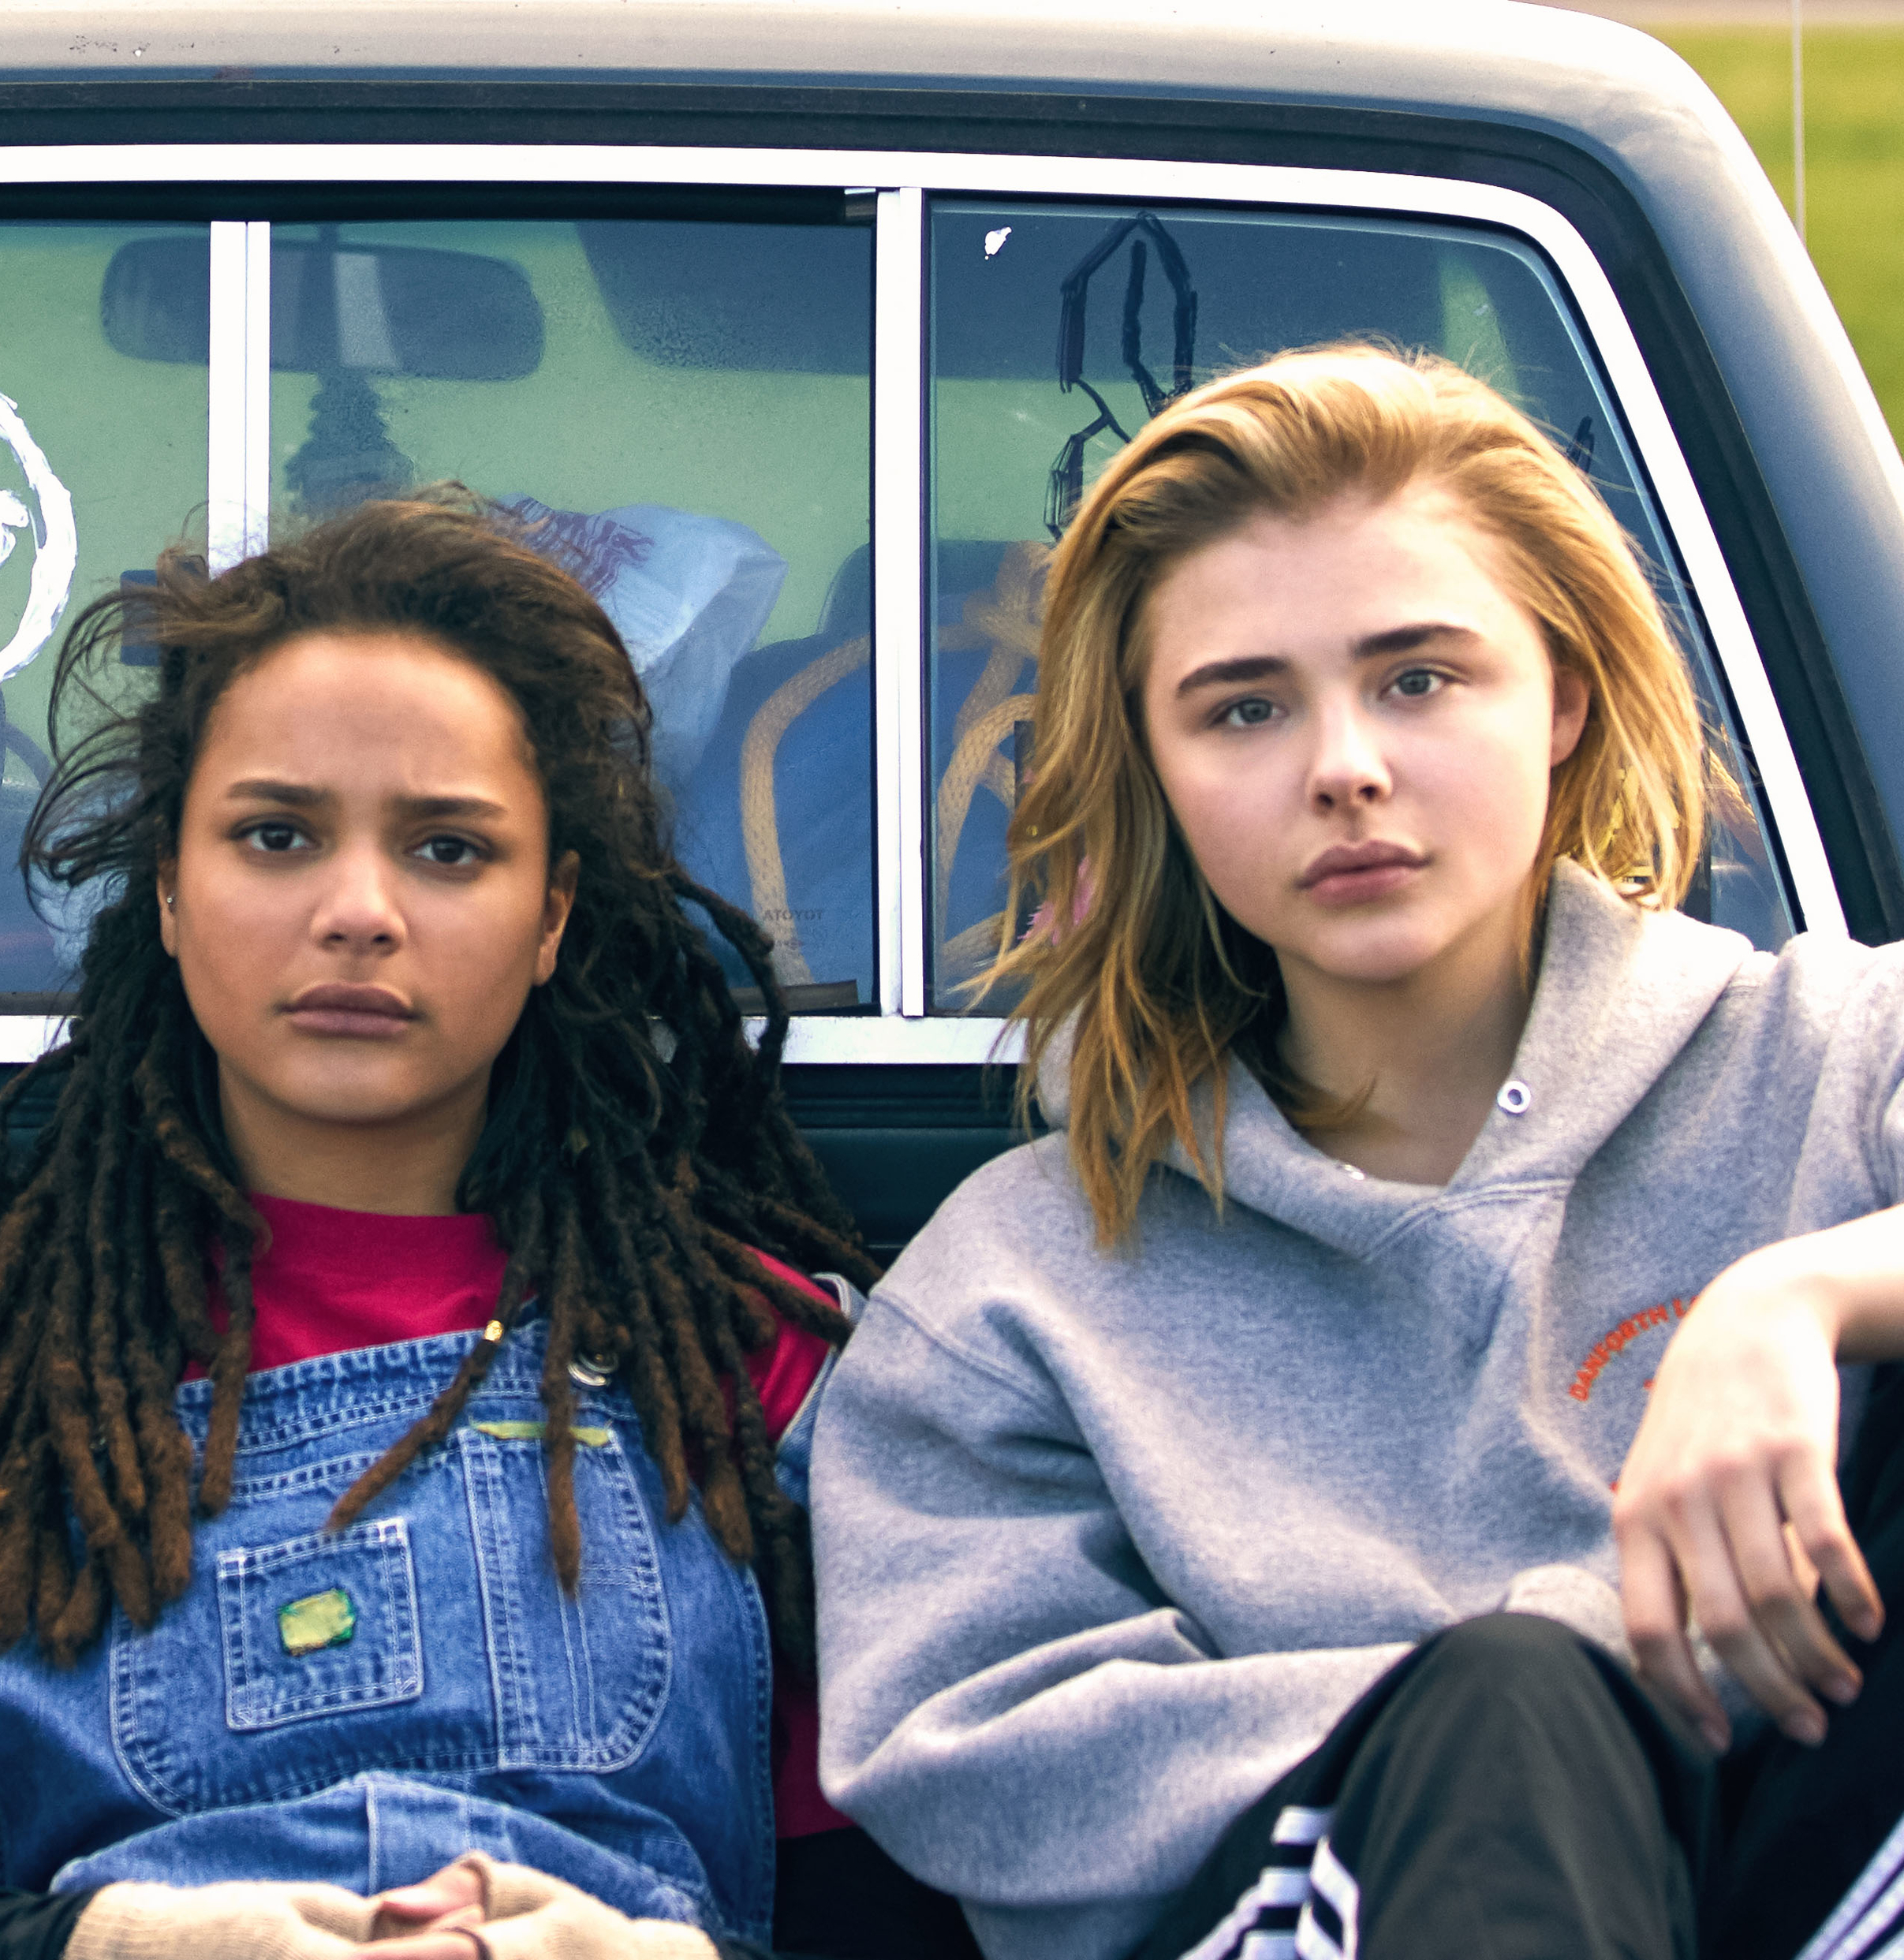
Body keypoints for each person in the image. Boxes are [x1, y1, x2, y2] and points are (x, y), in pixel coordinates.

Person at [808, 345, 1904, 1960]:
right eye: (1243, 708)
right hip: (1343, 1902)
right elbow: (982, 1755)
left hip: (1817, 1865)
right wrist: (1519, 1712)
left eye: (1418, 678)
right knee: (1509, 1712)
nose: (1343, 767)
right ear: (1156, 770)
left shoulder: (1837, 1053)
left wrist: (1793, 1299)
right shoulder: (1015, 1287)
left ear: (1561, 698)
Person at [0, 491, 979, 1960]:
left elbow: (896, 1918)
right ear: (170, 890)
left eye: (447, 849)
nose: (360, 910)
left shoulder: (754, 1360)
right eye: (276, 835)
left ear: (552, 914)